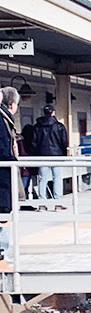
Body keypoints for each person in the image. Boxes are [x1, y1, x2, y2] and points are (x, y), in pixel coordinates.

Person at [0, 86, 21, 268]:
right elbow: (3, 148)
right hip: (2, 175)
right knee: (4, 214)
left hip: (4, 173)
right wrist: (12, 161)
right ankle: (2, 257)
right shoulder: (2, 120)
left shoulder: (4, 118)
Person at [32, 104, 68, 211]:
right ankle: (58, 204)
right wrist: (63, 154)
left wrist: (36, 154)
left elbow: (34, 143)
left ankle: (42, 204)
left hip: (42, 156)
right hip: (57, 156)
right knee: (57, 179)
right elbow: (64, 142)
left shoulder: (37, 127)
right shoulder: (59, 126)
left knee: (43, 180)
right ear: (53, 112)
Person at [19, 122, 37, 199]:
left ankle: (23, 201)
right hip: (27, 166)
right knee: (25, 185)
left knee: (23, 186)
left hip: (22, 166)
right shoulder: (31, 143)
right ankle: (23, 202)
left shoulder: (20, 141)